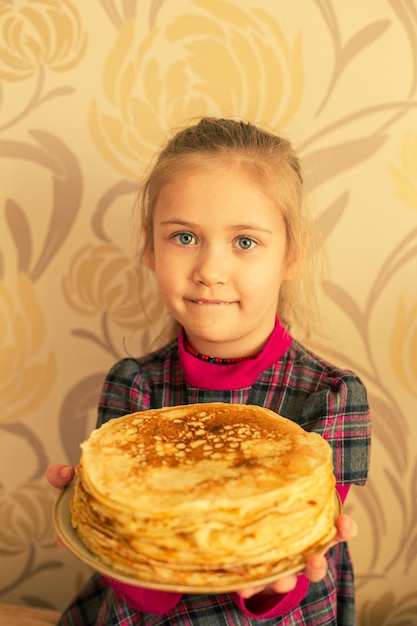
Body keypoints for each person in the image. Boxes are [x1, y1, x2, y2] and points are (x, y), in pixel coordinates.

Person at [47, 117, 371, 625]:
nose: (210, 269)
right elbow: (145, 590)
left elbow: (295, 560)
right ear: (150, 247)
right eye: (183, 237)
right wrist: (103, 529)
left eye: (245, 241)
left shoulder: (331, 396)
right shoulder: (133, 384)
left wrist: (265, 582)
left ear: (292, 252)